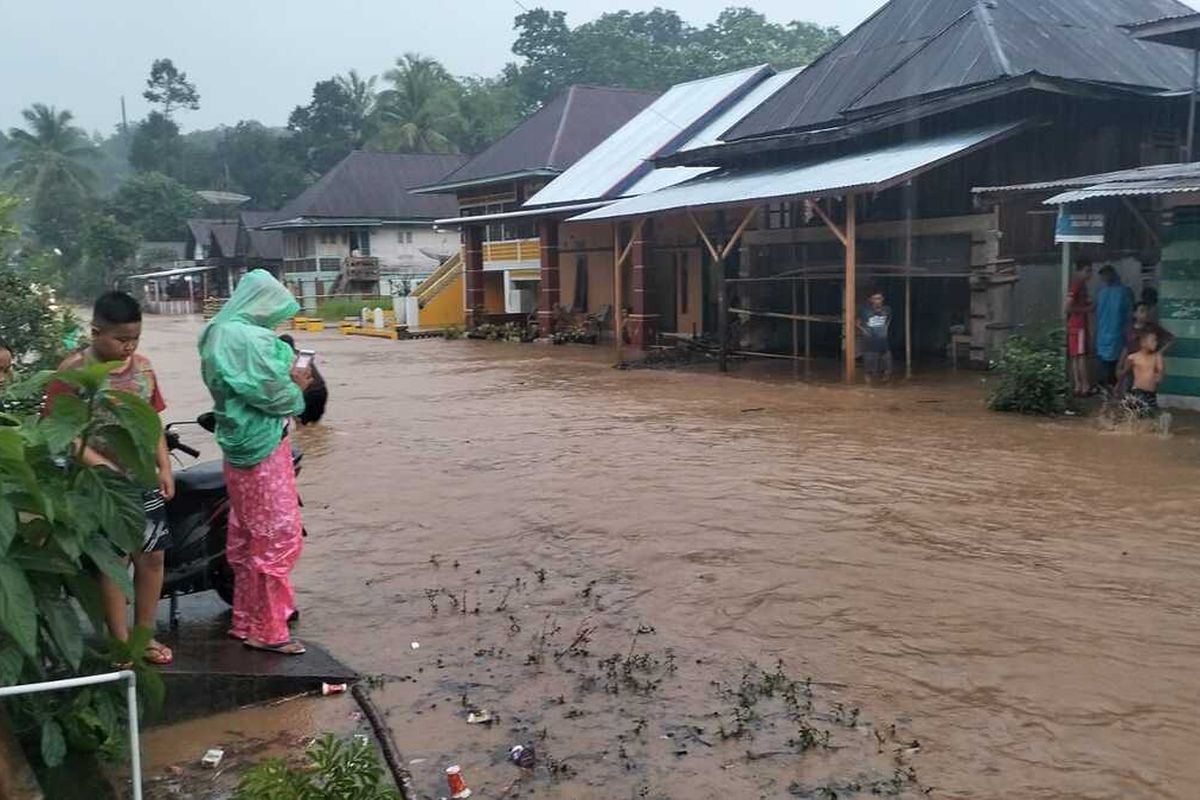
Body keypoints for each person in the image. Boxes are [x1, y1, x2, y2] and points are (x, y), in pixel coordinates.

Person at [45, 292, 175, 665]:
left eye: (135, 338)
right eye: (120, 339)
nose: (129, 346)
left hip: (142, 480)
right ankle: (120, 642)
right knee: (113, 562)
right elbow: (60, 433)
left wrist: (164, 467)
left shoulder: (144, 369)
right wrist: (101, 466)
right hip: (97, 486)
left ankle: (144, 635)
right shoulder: (73, 372)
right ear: (95, 332)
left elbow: (152, 423)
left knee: (152, 557)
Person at [198, 270, 312, 655]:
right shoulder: (248, 339)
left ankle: (246, 620)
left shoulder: (216, 331)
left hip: (237, 444)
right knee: (278, 537)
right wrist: (298, 386)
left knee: (247, 536)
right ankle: (270, 631)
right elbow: (273, 394)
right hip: (264, 446)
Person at [1094, 265, 1134, 392]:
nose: (1104, 279)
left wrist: (1129, 331)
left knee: (1117, 364)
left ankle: (1115, 388)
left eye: (1105, 275)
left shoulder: (1123, 292)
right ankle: (1109, 387)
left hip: (1117, 333)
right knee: (1106, 364)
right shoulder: (1102, 292)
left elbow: (1129, 313)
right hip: (1104, 333)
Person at [278, 334, 329, 425]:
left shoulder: (283, 357)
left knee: (301, 425)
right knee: (314, 425)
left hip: (305, 393)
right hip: (321, 390)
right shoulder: (301, 355)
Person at [1065, 259, 1094, 397]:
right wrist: (1085, 309)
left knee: (1075, 356)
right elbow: (1067, 307)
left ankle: (1078, 385)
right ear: (1079, 271)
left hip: (1074, 324)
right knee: (1080, 356)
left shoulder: (1080, 285)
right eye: (1087, 271)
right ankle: (1084, 386)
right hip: (1078, 324)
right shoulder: (1078, 284)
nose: (1089, 274)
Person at [1121, 330, 1165, 417]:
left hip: (1151, 393)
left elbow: (1161, 370)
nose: (1156, 343)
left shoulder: (1157, 357)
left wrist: (1159, 376)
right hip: (1138, 391)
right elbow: (1125, 372)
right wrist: (1119, 386)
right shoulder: (1133, 357)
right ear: (1143, 343)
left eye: (1156, 340)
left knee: (1152, 415)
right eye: (1153, 341)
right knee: (1140, 414)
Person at [857, 290, 892, 382]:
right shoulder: (864, 310)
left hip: (882, 338)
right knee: (869, 360)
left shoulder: (887, 309)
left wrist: (886, 329)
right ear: (871, 300)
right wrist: (864, 331)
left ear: (882, 299)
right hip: (870, 339)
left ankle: (885, 378)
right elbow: (857, 323)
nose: (877, 301)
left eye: (879, 298)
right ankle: (868, 379)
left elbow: (888, 320)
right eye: (875, 299)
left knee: (886, 359)